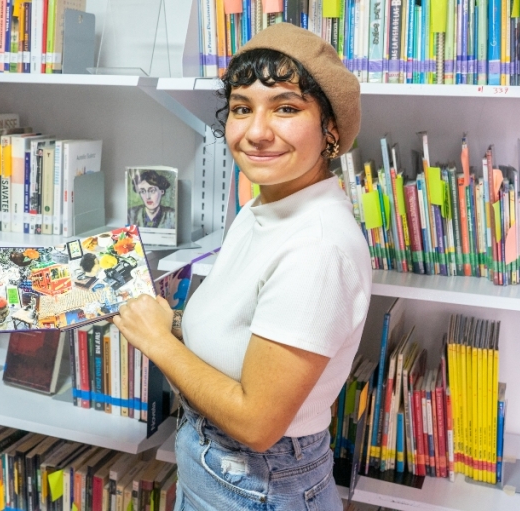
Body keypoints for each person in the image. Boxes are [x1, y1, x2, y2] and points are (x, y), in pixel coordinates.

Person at [114, 23, 371, 511]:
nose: (256, 132)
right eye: (240, 108)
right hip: (218, 468)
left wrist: (156, 340)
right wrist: (167, 319)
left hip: (259, 483)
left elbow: (257, 423)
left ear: (331, 131)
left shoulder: (318, 246)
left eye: (287, 108)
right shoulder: (262, 206)